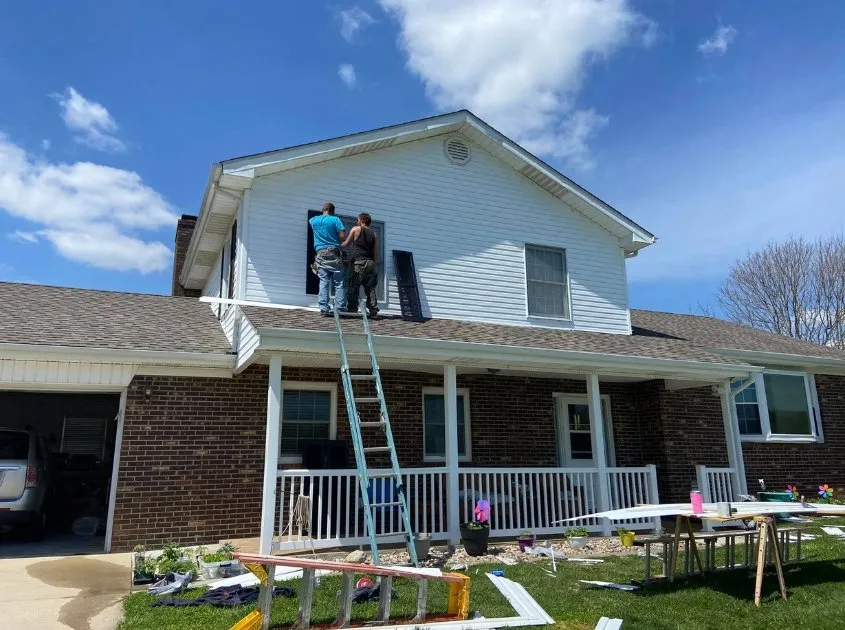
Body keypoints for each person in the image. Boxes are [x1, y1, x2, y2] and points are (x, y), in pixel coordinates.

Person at [309, 202, 347, 316]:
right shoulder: (335, 220)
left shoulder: (313, 220)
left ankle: (324, 307)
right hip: (334, 252)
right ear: (333, 211)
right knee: (339, 281)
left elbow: (311, 222)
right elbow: (342, 237)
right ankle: (340, 307)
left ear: (323, 209)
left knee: (324, 280)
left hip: (320, 253)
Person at [342, 212, 379, 317]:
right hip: (370, 263)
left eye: (358, 220)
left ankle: (352, 309)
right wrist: (372, 264)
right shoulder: (374, 234)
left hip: (358, 262)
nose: (357, 222)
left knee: (353, 285)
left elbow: (346, 244)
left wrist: (335, 245)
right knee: (370, 288)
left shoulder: (356, 229)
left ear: (362, 221)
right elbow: (376, 253)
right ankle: (373, 309)